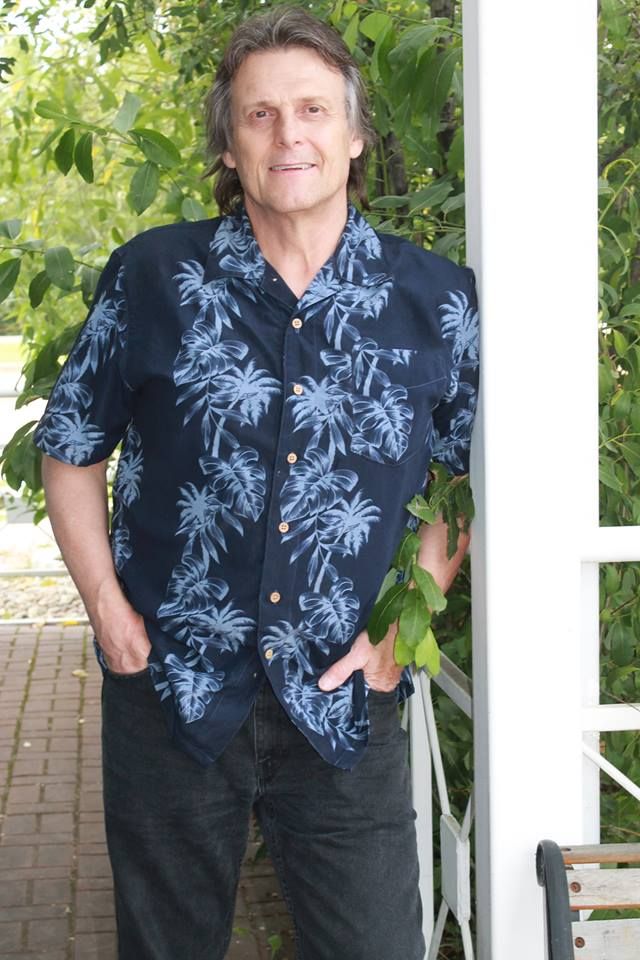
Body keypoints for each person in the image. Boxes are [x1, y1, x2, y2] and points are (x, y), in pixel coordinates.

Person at [34, 6, 479, 960]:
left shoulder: (438, 300)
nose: (289, 137)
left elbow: (458, 480)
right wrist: (108, 612)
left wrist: (407, 622)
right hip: (169, 687)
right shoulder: (153, 277)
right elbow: (70, 447)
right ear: (229, 147)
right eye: (260, 115)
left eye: (313, 110)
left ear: (355, 136)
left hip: (346, 697)